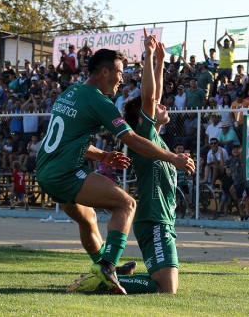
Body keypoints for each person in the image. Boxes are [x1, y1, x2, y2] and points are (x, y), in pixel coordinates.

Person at [36, 46, 195, 295]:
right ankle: (107, 267)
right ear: (105, 71)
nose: (122, 78)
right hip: (65, 174)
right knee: (126, 204)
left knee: (88, 220)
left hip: (46, 169)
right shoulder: (101, 102)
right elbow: (134, 130)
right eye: (119, 72)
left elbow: (68, 140)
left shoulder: (71, 92)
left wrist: (103, 155)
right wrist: (174, 158)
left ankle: (103, 266)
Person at [122, 32, 185, 293]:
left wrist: (160, 61)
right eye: (156, 107)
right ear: (141, 118)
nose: (163, 106)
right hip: (153, 219)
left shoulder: (156, 139)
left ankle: (112, 275)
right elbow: (149, 98)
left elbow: (153, 96)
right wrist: (148, 56)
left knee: (165, 287)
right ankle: (107, 278)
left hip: (162, 220)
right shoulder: (142, 135)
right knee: (165, 289)